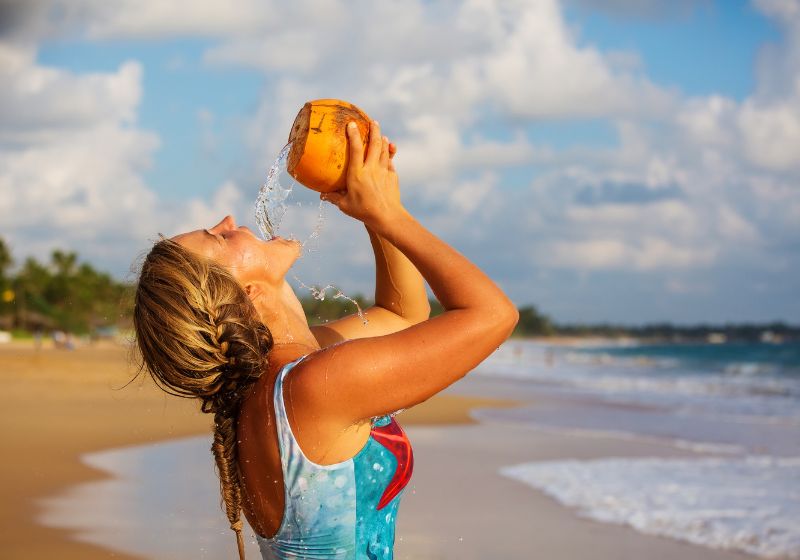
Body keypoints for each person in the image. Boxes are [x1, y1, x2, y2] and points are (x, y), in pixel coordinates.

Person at [133, 120, 518, 560]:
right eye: (217, 238)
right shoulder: (312, 386)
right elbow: (493, 315)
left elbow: (402, 314)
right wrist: (390, 217)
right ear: (246, 294)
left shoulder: (283, 378)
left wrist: (378, 208)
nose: (228, 221)